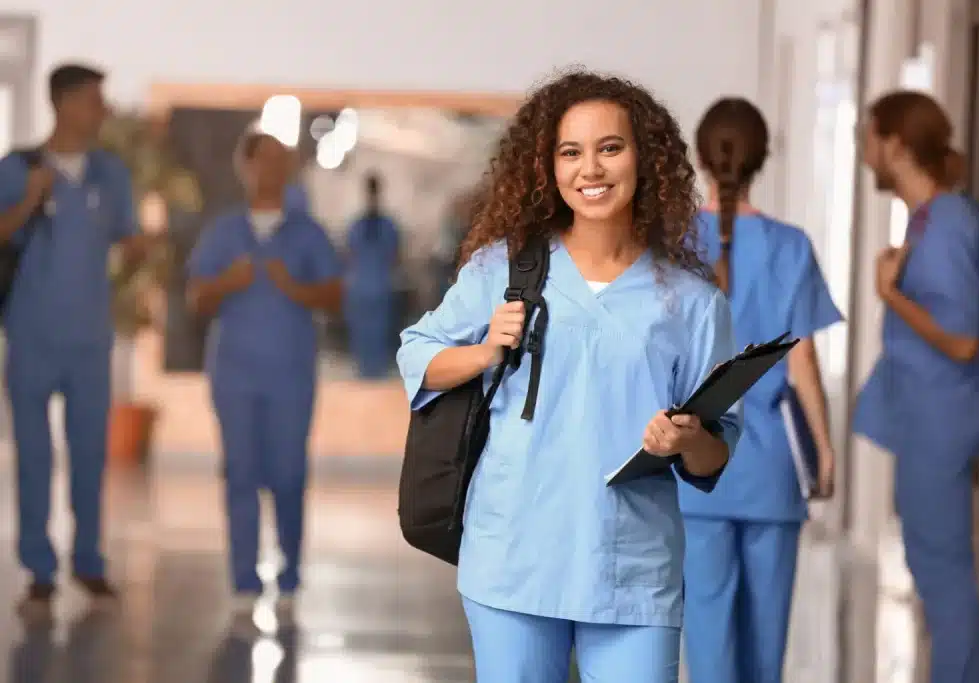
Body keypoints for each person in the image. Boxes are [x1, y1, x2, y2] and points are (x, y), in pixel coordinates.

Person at [397, 70, 742, 683]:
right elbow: (417, 355)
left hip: (632, 573)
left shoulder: (690, 302)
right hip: (513, 560)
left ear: (646, 158)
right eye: (571, 152)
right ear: (548, 167)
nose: (592, 169)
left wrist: (687, 439)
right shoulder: (503, 270)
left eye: (611, 148)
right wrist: (484, 353)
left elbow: (715, 453)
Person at [675, 98, 842, 683]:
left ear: (699, 158)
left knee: (708, 638)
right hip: (771, 471)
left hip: (697, 474)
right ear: (763, 159)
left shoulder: (673, 246)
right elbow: (803, 363)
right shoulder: (791, 246)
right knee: (765, 648)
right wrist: (823, 449)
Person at [854, 90, 979, 683]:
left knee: (943, 577)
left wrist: (891, 297)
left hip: (942, 424)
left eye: (868, 140)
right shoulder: (933, 219)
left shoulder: (945, 225)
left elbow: (963, 341)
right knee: (936, 567)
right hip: (930, 422)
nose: (865, 155)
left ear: (894, 145)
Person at [0, 63, 150, 615]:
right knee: (34, 456)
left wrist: (137, 249)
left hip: (90, 339)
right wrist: (27, 201)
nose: (103, 110)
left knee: (90, 455)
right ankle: (38, 571)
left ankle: (88, 563)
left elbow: (127, 236)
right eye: (93, 100)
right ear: (63, 104)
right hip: (31, 335)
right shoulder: (17, 169)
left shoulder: (112, 173)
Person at [187, 131, 342, 615]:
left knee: (289, 474)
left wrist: (295, 288)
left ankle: (291, 573)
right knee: (239, 473)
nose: (272, 169)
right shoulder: (223, 232)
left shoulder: (308, 233)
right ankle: (243, 580)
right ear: (245, 167)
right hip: (234, 373)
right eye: (263, 160)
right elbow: (195, 298)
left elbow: (335, 297)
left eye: (281, 160)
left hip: (290, 374)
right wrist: (225, 283)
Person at [344, 173, 400, 379]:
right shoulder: (373, 225)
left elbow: (348, 255)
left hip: (369, 285)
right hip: (372, 285)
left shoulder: (366, 226)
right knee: (369, 331)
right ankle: (370, 370)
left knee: (373, 330)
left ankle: (371, 370)